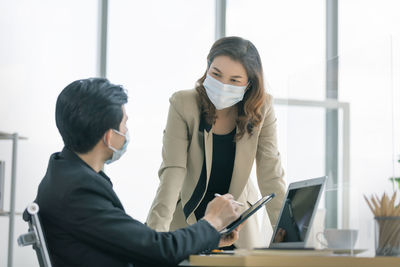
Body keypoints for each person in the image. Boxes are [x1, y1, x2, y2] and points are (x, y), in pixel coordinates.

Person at [32, 78, 242, 267]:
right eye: (124, 123)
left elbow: (138, 242)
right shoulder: (79, 190)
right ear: (109, 137)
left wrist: (210, 236)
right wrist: (212, 221)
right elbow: (160, 251)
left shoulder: (64, 173)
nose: (126, 131)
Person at [146, 36, 286, 248]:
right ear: (207, 68)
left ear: (249, 83)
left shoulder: (262, 107)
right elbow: (173, 171)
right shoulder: (183, 103)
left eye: (234, 80)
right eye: (216, 74)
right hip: (188, 219)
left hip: (237, 222)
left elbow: (271, 173)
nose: (222, 85)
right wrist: (153, 239)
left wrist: (290, 235)